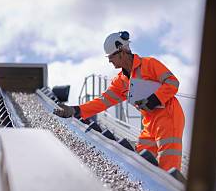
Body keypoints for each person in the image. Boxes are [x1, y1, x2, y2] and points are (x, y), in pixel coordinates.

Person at [54, 31, 185, 171]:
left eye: (111, 56)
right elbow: (103, 102)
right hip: (149, 121)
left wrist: (153, 99)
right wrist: (76, 110)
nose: (109, 60)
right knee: (142, 161)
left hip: (168, 116)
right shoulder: (121, 81)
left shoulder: (149, 64)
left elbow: (172, 82)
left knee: (168, 163)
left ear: (121, 51)